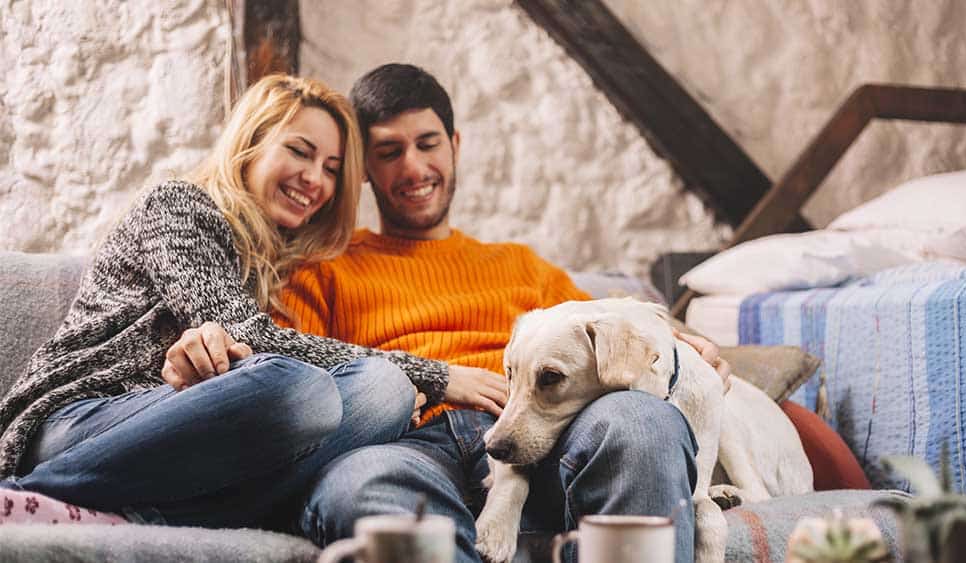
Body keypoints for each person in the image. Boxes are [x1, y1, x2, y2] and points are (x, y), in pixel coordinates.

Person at [167, 64, 730, 562]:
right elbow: (291, 382)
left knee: (643, 422)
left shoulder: (523, 267)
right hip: (405, 448)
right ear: (364, 170)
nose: (413, 167)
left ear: (454, 145)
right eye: (389, 152)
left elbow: (611, 335)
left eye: (427, 143)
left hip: (543, 442)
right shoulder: (320, 271)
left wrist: (686, 347)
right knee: (361, 484)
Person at [0, 73, 468, 531]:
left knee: (384, 392)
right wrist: (435, 375)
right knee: (300, 387)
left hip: (179, 441)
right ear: (251, 143)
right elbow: (250, 338)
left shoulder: (276, 266)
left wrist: (401, 386)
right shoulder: (179, 205)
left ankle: (144, 515)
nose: (315, 179)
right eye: (299, 151)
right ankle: (31, 493)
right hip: (76, 421)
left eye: (331, 168)